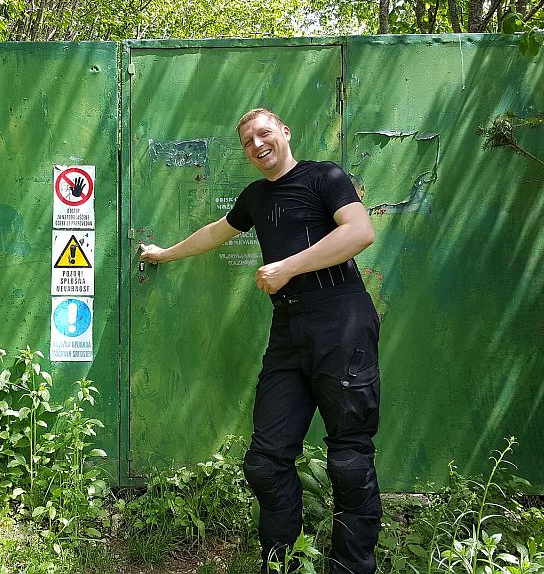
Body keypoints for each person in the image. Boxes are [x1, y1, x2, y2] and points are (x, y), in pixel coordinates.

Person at [139, 108, 382, 574]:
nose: (257, 144)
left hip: (341, 320)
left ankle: (351, 567)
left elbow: (359, 232)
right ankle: (283, 564)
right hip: (289, 329)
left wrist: (287, 267)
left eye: (264, 134)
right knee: (266, 463)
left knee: (349, 460)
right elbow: (215, 233)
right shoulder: (255, 197)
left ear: (285, 132)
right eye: (248, 141)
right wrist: (164, 254)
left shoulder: (324, 177)